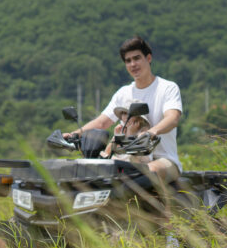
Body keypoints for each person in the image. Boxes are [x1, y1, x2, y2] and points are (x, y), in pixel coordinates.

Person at [64, 35, 183, 183]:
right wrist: (75, 134)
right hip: (127, 159)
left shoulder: (167, 88)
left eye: (137, 58)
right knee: (91, 176)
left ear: (149, 58)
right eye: (128, 61)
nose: (133, 64)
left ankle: (166, 206)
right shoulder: (123, 93)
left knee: (145, 173)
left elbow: (172, 118)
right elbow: (102, 122)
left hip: (164, 159)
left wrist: (153, 131)